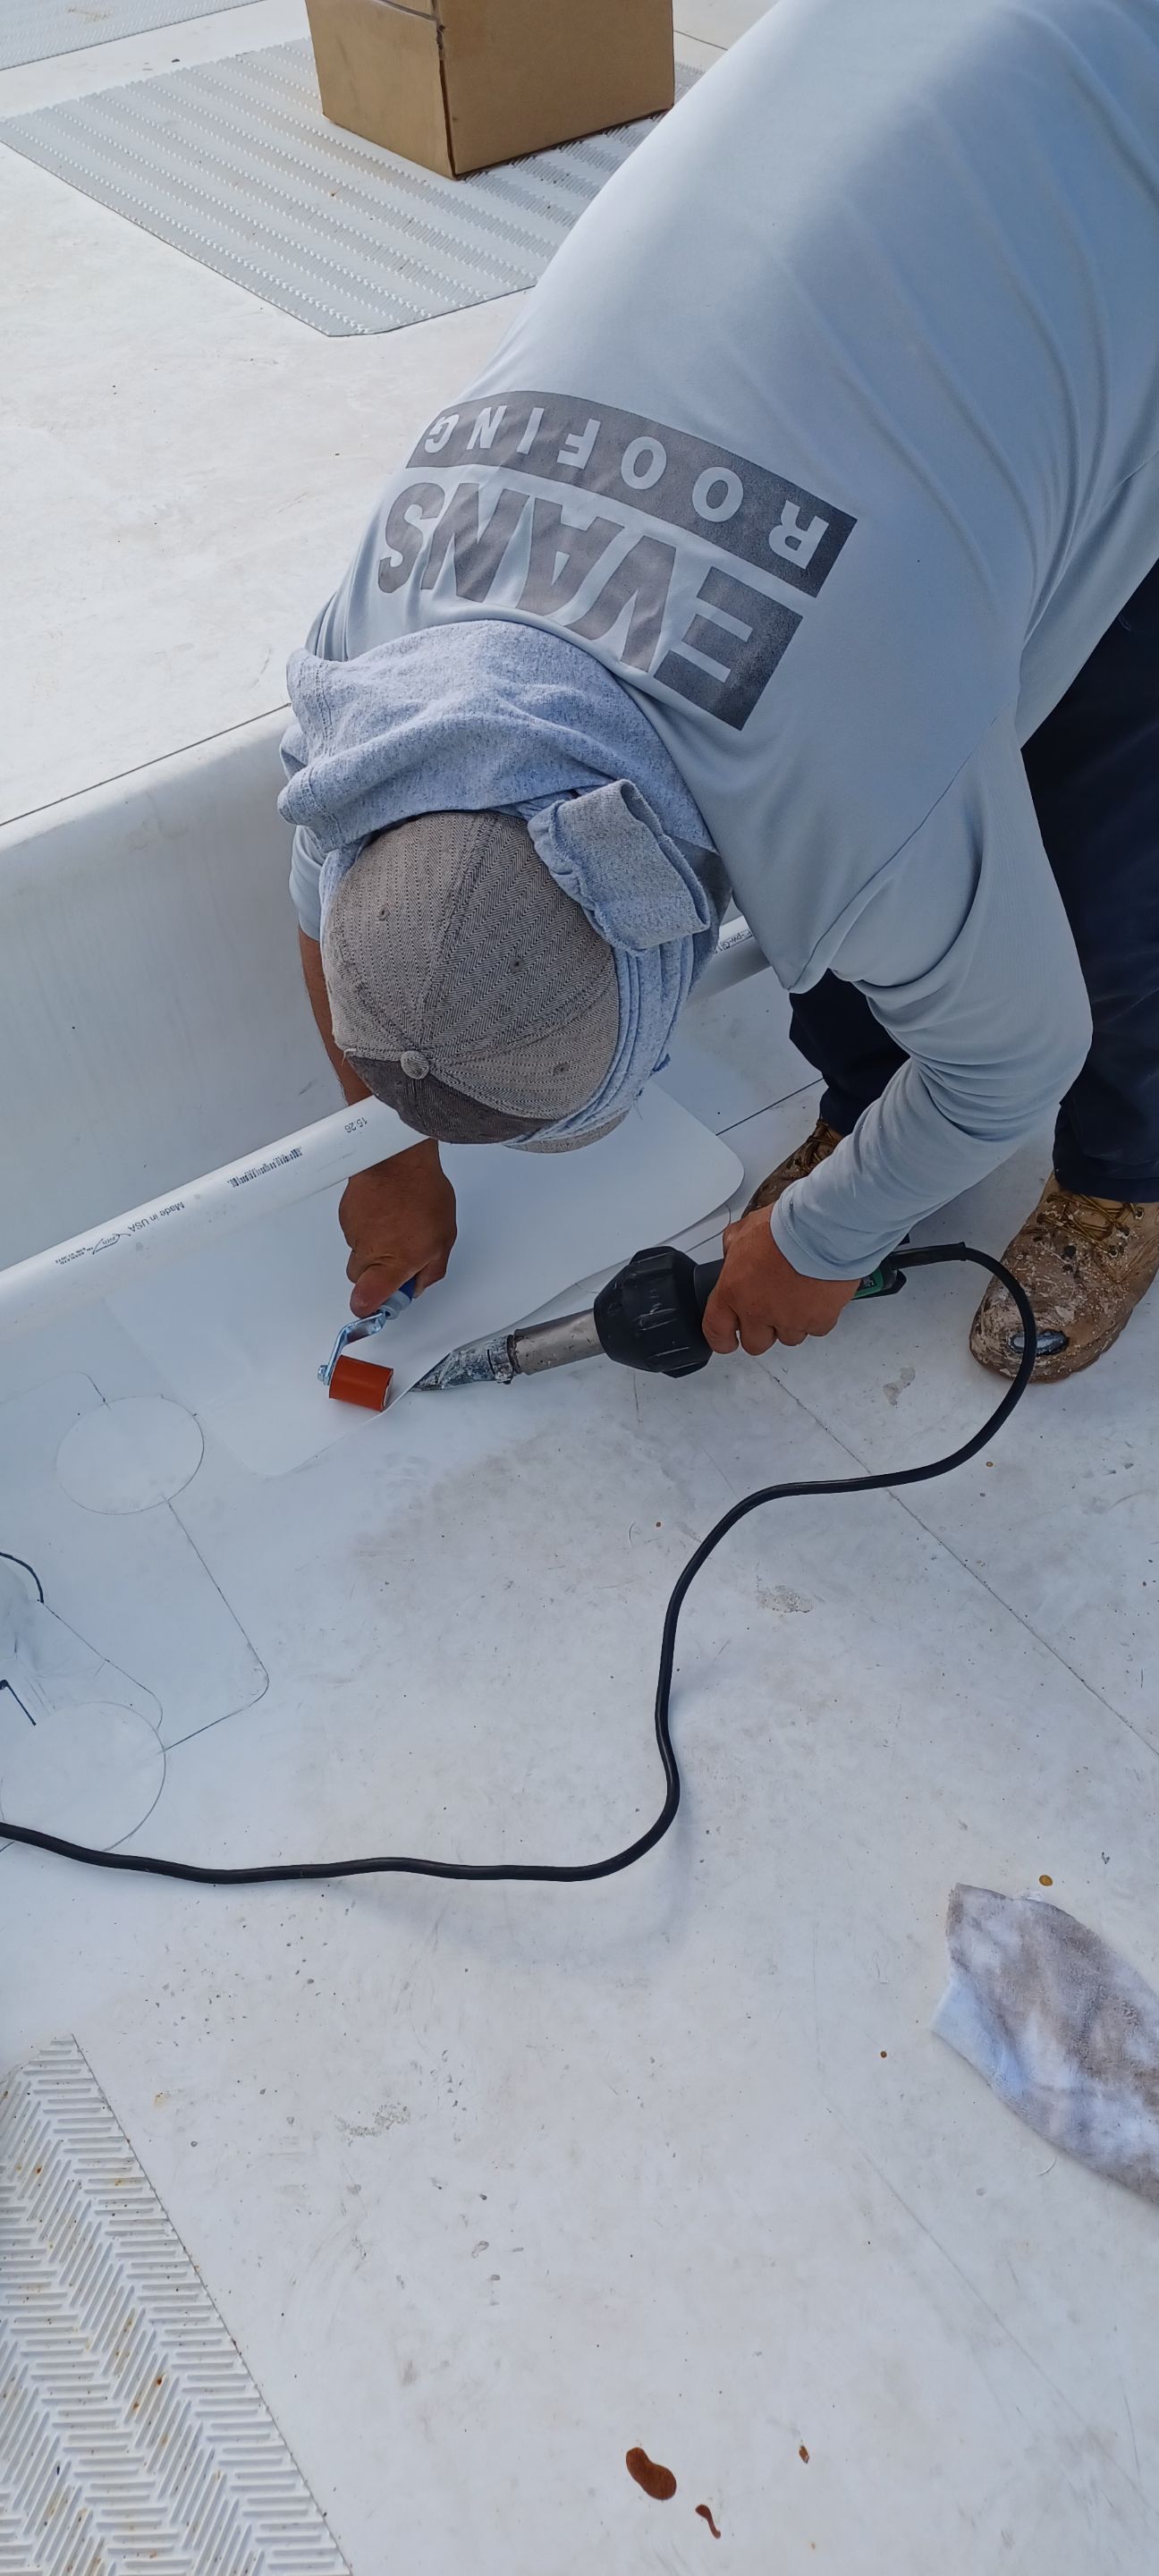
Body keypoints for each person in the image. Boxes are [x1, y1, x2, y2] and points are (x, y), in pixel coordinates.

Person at [282, 0, 1159, 1384]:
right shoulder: (381, 658)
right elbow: (325, 909)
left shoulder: (850, 773)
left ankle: (1130, 1170)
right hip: (894, 79)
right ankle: (872, 1094)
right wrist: (399, 1150)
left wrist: (821, 1239)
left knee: (1105, 837)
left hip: (1120, 155)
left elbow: (1015, 1050)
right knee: (885, 883)